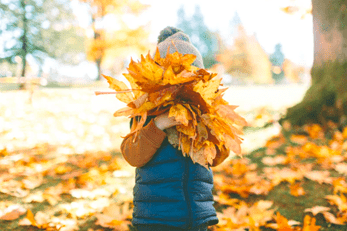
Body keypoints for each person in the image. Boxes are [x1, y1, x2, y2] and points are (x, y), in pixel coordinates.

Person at [121, 26, 229, 231]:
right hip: (155, 218)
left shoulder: (203, 114)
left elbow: (218, 157)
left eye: (189, 78)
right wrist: (158, 125)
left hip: (196, 215)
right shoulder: (146, 111)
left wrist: (212, 129)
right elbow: (132, 155)